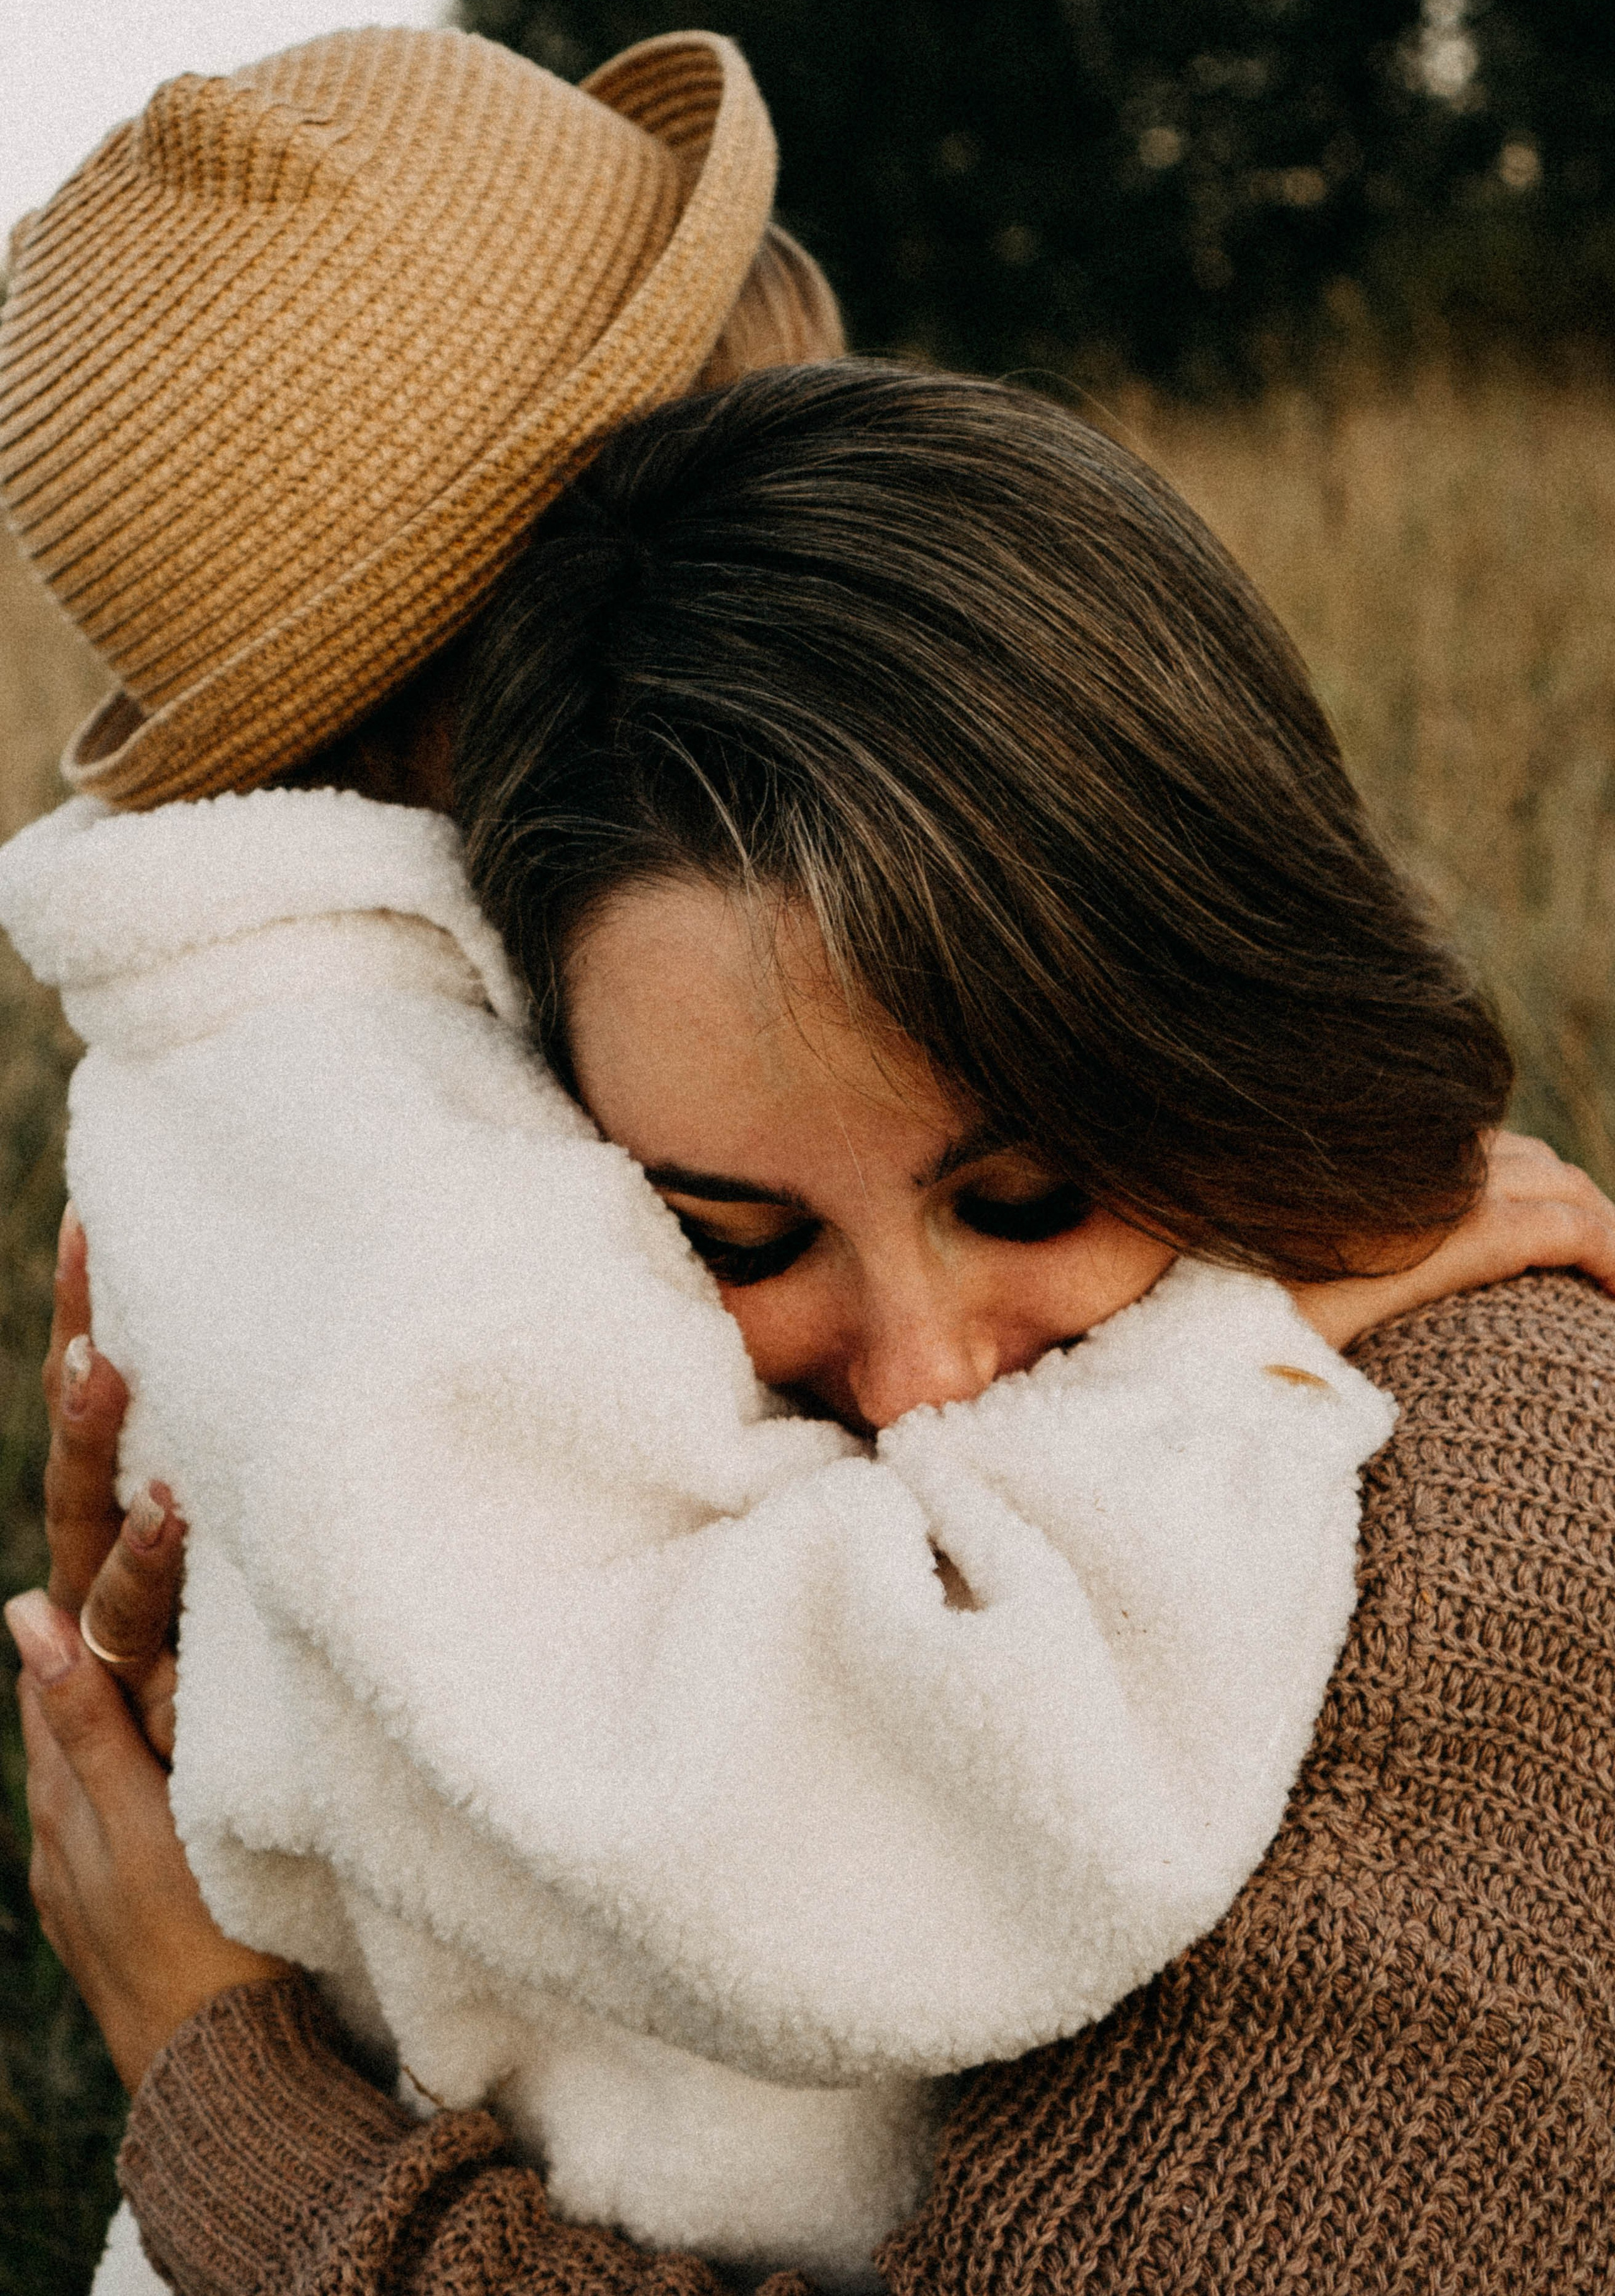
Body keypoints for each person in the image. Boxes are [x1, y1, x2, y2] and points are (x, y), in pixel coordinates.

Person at [12, 363, 1615, 2296]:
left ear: (1220, 1005)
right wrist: (325, 1739)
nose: (927, 1380)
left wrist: (240, 2108)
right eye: (737, 1238)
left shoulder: (1485, 1519)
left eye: (1026, 1195)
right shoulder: (671, 1476)